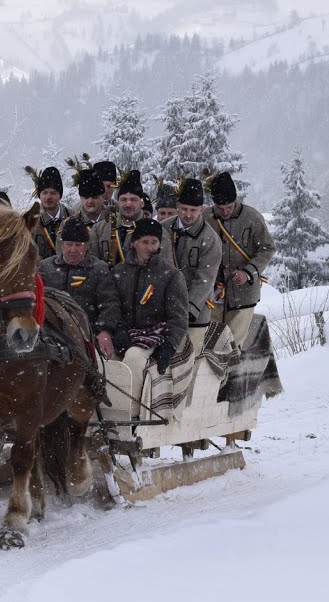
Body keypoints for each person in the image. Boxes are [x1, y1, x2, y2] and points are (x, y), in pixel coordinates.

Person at [108, 218, 189, 422]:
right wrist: (118, 329)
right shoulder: (119, 272)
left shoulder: (170, 275)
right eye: (145, 242)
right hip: (127, 331)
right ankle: (105, 410)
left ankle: (131, 415)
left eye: (154, 242)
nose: (150, 247)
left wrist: (169, 345)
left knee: (134, 358)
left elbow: (178, 316)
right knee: (106, 358)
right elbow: (112, 306)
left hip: (156, 332)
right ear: (134, 243)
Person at [207, 171, 276, 350]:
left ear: (235, 200)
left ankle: (229, 377)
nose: (225, 212)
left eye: (228, 207)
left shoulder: (251, 217)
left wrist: (248, 272)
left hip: (243, 295)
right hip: (212, 294)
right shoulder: (206, 217)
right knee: (211, 345)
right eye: (220, 208)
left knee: (233, 346)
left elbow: (267, 248)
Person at [37, 216, 121, 357]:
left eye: (79, 245)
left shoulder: (99, 269)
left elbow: (110, 303)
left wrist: (104, 330)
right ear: (62, 244)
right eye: (69, 244)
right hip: (51, 334)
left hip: (88, 334)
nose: (73, 250)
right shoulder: (46, 267)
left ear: (87, 246)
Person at [169, 177, 223, 355]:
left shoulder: (210, 239)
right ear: (177, 206)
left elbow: (205, 279)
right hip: (163, 311)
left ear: (202, 210)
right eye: (184, 209)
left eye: (193, 210)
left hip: (196, 315)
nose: (188, 214)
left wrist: (188, 311)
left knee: (190, 360)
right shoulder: (163, 229)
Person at [91, 170, 170, 265]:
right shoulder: (99, 230)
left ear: (142, 203)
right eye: (123, 199)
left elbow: (166, 270)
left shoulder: (158, 231)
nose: (128, 204)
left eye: (133, 200)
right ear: (118, 202)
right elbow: (92, 266)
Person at [25, 166, 71, 259]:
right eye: (44, 192)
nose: (48, 197)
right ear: (39, 194)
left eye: (53, 193)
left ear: (60, 195)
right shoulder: (29, 220)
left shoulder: (72, 216)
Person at [73, 169, 108, 234]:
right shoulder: (70, 223)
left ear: (103, 197)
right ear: (80, 198)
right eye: (86, 197)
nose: (90, 201)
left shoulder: (116, 221)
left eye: (95, 197)